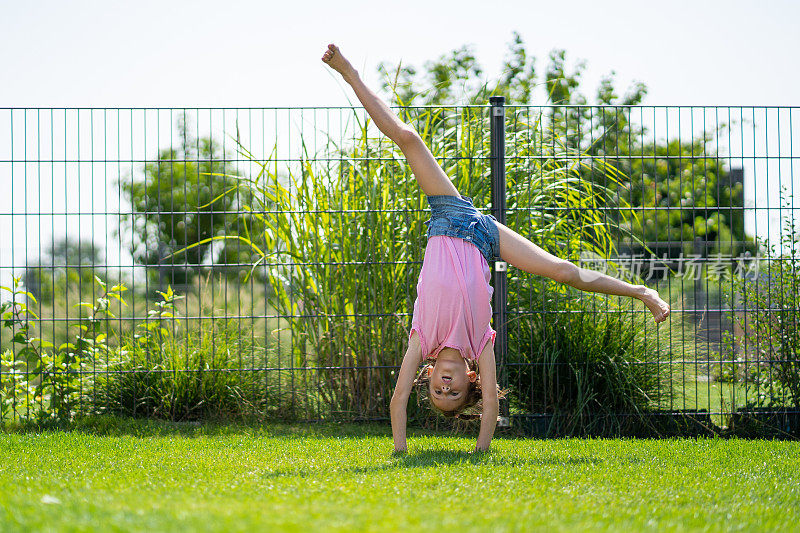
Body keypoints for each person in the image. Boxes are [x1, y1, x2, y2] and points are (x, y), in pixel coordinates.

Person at [321, 43, 671, 453]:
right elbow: (490, 405)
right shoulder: (479, 344)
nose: (445, 389)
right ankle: (642, 292)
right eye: (453, 395)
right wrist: (480, 451)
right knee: (564, 272)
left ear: (429, 374)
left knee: (408, 138)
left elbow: (398, 400)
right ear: (472, 379)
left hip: (450, 218)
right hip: (486, 237)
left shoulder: (422, 339)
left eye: (436, 392)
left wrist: (400, 451)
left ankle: (349, 73)